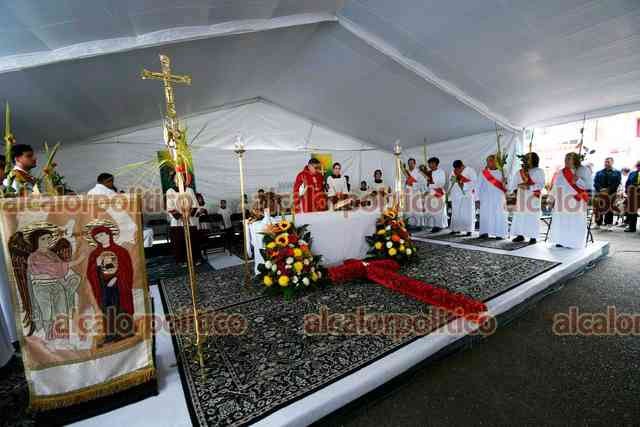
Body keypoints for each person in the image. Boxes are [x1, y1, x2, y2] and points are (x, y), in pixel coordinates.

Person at [86, 226, 134, 344]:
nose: (100, 238)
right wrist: (97, 264)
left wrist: (116, 278)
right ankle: (111, 334)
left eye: (102, 235)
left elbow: (127, 269)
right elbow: (90, 273)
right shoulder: (94, 254)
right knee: (108, 309)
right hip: (103, 286)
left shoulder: (121, 251)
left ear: (108, 234)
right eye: (97, 237)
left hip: (119, 285)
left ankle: (125, 331)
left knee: (121, 306)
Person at [549, 152, 593, 248]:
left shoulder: (583, 170)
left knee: (574, 222)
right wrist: (551, 199)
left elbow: (588, 186)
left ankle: (573, 242)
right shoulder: (561, 172)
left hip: (576, 201)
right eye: (566, 158)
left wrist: (578, 180)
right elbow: (555, 186)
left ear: (575, 160)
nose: (566, 160)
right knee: (562, 221)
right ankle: (561, 240)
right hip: (561, 201)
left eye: (569, 158)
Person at [165, 174, 202, 264]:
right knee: (179, 241)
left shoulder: (189, 190)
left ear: (184, 179)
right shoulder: (170, 191)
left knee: (193, 240)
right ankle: (182, 260)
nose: (179, 179)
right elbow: (170, 206)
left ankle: (196, 258)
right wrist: (181, 216)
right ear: (173, 180)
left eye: (181, 177)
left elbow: (195, 204)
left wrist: (188, 214)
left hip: (190, 220)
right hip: (178, 221)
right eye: (176, 178)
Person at [510, 152, 545, 244]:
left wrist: (529, 187)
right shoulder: (519, 172)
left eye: (528, 158)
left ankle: (533, 236)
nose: (526, 159)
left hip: (533, 197)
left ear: (534, 159)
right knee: (520, 216)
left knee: (532, 217)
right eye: (526, 158)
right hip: (521, 197)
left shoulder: (539, 171)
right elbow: (513, 184)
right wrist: (516, 189)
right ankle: (520, 235)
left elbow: (541, 184)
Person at [477, 155, 508, 239]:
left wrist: (505, 182)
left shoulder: (503, 171)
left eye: (490, 161)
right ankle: (484, 232)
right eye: (487, 161)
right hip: (486, 198)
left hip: (499, 198)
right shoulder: (483, 173)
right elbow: (477, 186)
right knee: (485, 215)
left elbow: (507, 186)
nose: (488, 163)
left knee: (499, 215)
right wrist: (477, 199)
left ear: (496, 161)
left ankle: (499, 234)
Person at [449, 160, 477, 236]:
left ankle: (469, 230)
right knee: (456, 212)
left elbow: (474, 182)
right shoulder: (453, 172)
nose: (457, 170)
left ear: (462, 166)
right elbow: (451, 182)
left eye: (459, 168)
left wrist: (463, 184)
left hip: (467, 195)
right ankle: (456, 229)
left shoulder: (470, 170)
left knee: (467, 212)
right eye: (455, 169)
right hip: (456, 195)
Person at [593, 157, 621, 230]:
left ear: (612, 162)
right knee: (599, 208)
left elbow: (617, 183)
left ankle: (609, 224)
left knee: (609, 208)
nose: (606, 163)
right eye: (605, 162)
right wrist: (600, 189)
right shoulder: (599, 172)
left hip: (611, 193)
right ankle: (597, 223)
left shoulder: (617, 172)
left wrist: (608, 190)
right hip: (600, 193)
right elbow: (595, 182)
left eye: (608, 162)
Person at [423, 157, 448, 232]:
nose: (430, 165)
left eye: (431, 163)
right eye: (429, 164)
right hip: (430, 192)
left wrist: (431, 184)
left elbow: (442, 183)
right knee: (431, 210)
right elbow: (426, 183)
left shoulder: (441, 172)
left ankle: (438, 225)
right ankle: (433, 224)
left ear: (436, 164)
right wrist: (426, 189)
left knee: (438, 210)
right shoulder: (428, 172)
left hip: (438, 192)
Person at [405, 158, 427, 228]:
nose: (410, 164)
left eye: (412, 163)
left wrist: (413, 184)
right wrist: (406, 183)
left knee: (417, 208)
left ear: (415, 164)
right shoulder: (406, 172)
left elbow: (423, 183)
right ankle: (410, 223)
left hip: (416, 193)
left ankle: (419, 225)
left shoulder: (419, 172)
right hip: (408, 193)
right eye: (409, 163)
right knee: (409, 209)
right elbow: (403, 182)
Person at [625, 161, 640, 233]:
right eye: (638, 165)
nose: (639, 167)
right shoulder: (632, 173)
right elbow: (627, 183)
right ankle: (632, 227)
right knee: (632, 212)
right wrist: (627, 192)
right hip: (633, 194)